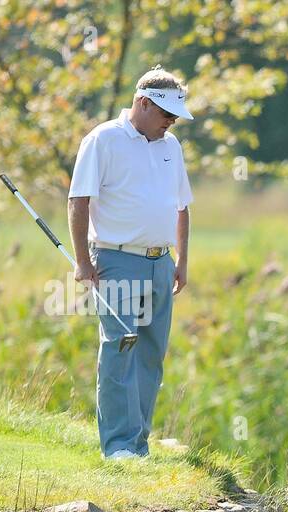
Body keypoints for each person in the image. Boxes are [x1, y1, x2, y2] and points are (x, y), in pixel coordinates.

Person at [68, 65, 194, 460]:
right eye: (166, 115)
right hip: (116, 260)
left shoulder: (171, 146)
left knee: (151, 353)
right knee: (121, 347)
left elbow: (182, 207)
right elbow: (79, 200)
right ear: (143, 103)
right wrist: (82, 261)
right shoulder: (102, 140)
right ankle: (118, 447)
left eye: (175, 117)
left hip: (161, 263)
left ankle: (138, 444)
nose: (171, 123)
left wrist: (182, 261)